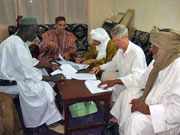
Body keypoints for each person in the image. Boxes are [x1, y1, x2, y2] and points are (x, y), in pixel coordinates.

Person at [110, 26, 180, 135]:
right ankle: (123, 130)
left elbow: (177, 111)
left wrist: (149, 109)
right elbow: (142, 80)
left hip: (166, 122)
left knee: (136, 120)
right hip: (151, 102)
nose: (151, 49)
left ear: (165, 48)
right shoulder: (157, 61)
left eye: (154, 46)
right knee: (127, 94)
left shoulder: (177, 68)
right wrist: (118, 81)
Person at [0, 18, 65, 134]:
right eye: (35, 32)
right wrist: (52, 78)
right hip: (8, 82)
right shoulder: (15, 44)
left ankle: (49, 109)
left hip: (15, 75)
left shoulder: (19, 41)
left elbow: (30, 62)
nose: (36, 36)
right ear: (27, 30)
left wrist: (49, 65)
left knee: (43, 73)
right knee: (43, 88)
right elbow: (26, 71)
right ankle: (51, 122)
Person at [91, 24, 147, 103]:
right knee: (106, 74)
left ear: (126, 37)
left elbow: (137, 78)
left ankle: (112, 103)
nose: (115, 43)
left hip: (133, 84)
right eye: (114, 41)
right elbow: (113, 64)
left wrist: (116, 80)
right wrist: (100, 67)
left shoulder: (136, 53)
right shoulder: (120, 50)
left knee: (115, 83)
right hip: (122, 78)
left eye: (118, 40)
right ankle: (107, 97)